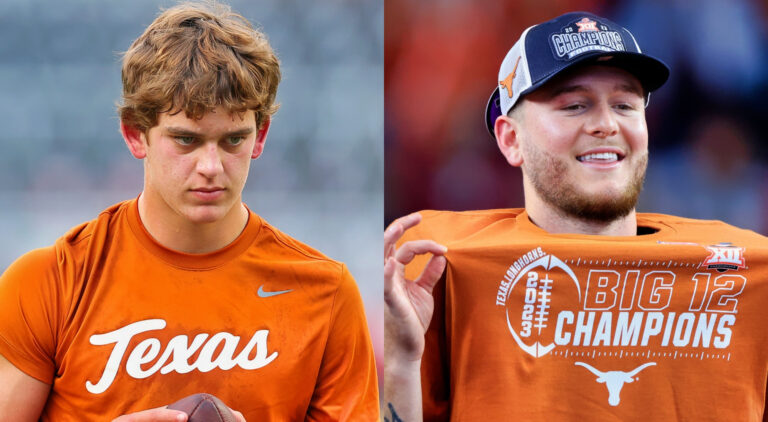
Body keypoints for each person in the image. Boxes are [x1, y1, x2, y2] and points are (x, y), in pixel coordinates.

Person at [0, 2, 379, 421]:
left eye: (234, 140)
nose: (211, 167)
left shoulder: (326, 294)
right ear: (134, 133)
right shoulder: (49, 284)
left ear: (260, 136)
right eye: (186, 140)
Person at [384, 11, 768, 421]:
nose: (606, 123)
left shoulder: (748, 273)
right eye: (574, 105)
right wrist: (402, 362)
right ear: (511, 139)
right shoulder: (441, 269)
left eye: (624, 104)